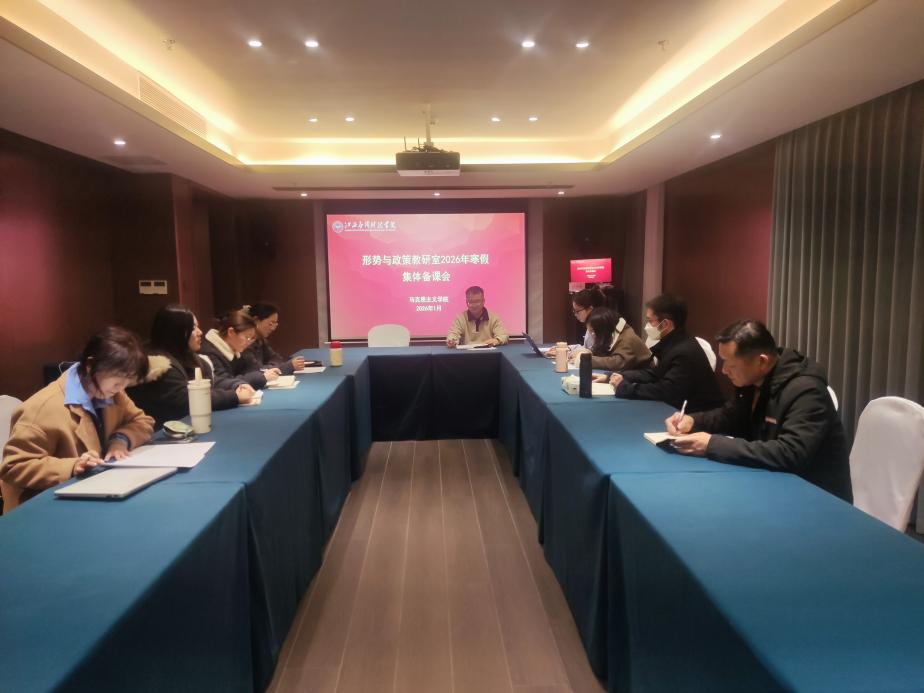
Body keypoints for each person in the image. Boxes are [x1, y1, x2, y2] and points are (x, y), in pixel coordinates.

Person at [665, 320, 852, 501]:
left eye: (730, 364)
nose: (724, 370)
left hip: (815, 496)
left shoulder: (807, 392)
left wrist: (711, 444)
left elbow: (790, 453)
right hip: (769, 483)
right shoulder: (753, 381)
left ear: (761, 362)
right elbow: (730, 416)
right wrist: (693, 421)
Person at [0, 327, 154, 512]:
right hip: (47, 508)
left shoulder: (110, 392)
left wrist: (120, 440)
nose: (122, 387)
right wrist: (72, 466)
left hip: (95, 493)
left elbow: (142, 421)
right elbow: (13, 466)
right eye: (118, 379)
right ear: (90, 365)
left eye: (127, 380)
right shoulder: (43, 408)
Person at [127, 304, 255, 428]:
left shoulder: (186, 356)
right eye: (193, 328)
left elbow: (208, 380)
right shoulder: (158, 363)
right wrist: (234, 396)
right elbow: (188, 399)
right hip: (164, 433)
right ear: (176, 331)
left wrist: (235, 385)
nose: (200, 332)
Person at [601, 294, 723, 411]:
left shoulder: (684, 352)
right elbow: (655, 374)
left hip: (694, 415)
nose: (647, 325)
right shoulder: (674, 341)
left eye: (650, 321)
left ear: (665, 324)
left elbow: (666, 391)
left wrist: (626, 388)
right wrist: (616, 375)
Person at [199, 309, 278, 389]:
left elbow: (252, 369)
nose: (249, 342)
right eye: (247, 337)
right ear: (231, 332)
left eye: (251, 338)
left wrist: (262, 374)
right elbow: (225, 382)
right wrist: (261, 377)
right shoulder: (209, 353)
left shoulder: (236, 349)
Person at [240, 302, 305, 375]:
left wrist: (271, 367)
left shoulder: (261, 340)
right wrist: (287, 367)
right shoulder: (245, 343)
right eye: (270, 324)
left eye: (275, 324)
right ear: (256, 320)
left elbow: (276, 358)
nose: (273, 328)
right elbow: (257, 371)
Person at [579, 307, 652, 371]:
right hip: (629, 375)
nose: (592, 334)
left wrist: (588, 360)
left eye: (593, 331)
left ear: (602, 329)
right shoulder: (610, 333)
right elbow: (602, 349)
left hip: (644, 377)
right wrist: (589, 352)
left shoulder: (627, 338)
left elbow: (617, 363)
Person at [544, 286, 606, 360]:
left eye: (577, 311)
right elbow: (586, 348)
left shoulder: (601, 326)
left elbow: (594, 353)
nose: (575, 314)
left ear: (590, 309)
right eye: (574, 311)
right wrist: (567, 348)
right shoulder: (590, 323)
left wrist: (565, 353)